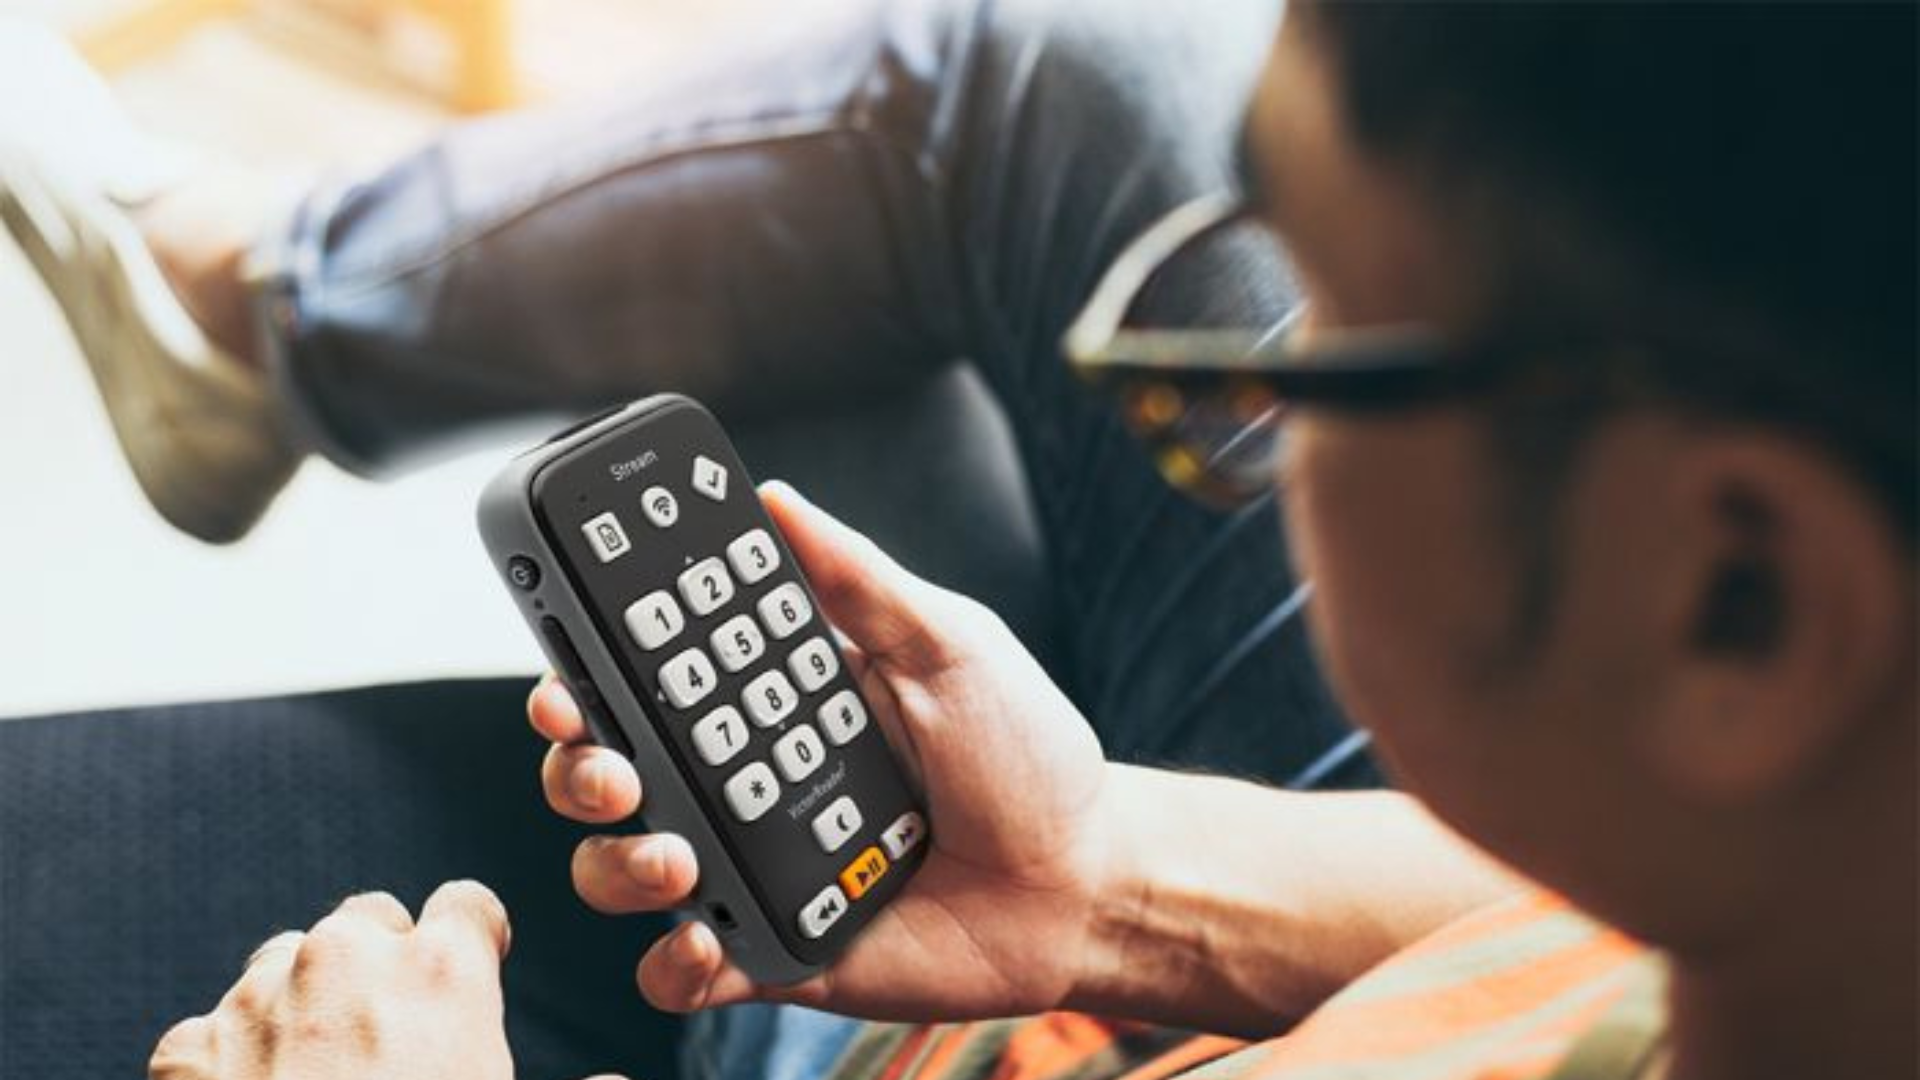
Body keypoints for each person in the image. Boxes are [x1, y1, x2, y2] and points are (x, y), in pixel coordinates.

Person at [21, 0, 1920, 1078]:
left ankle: (254, 308)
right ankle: (257, 309)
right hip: (1094, 973)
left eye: (1317, 335)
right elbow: (1574, 948)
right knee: (1042, 95)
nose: (1235, 404)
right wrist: (1111, 881)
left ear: (1736, 606)